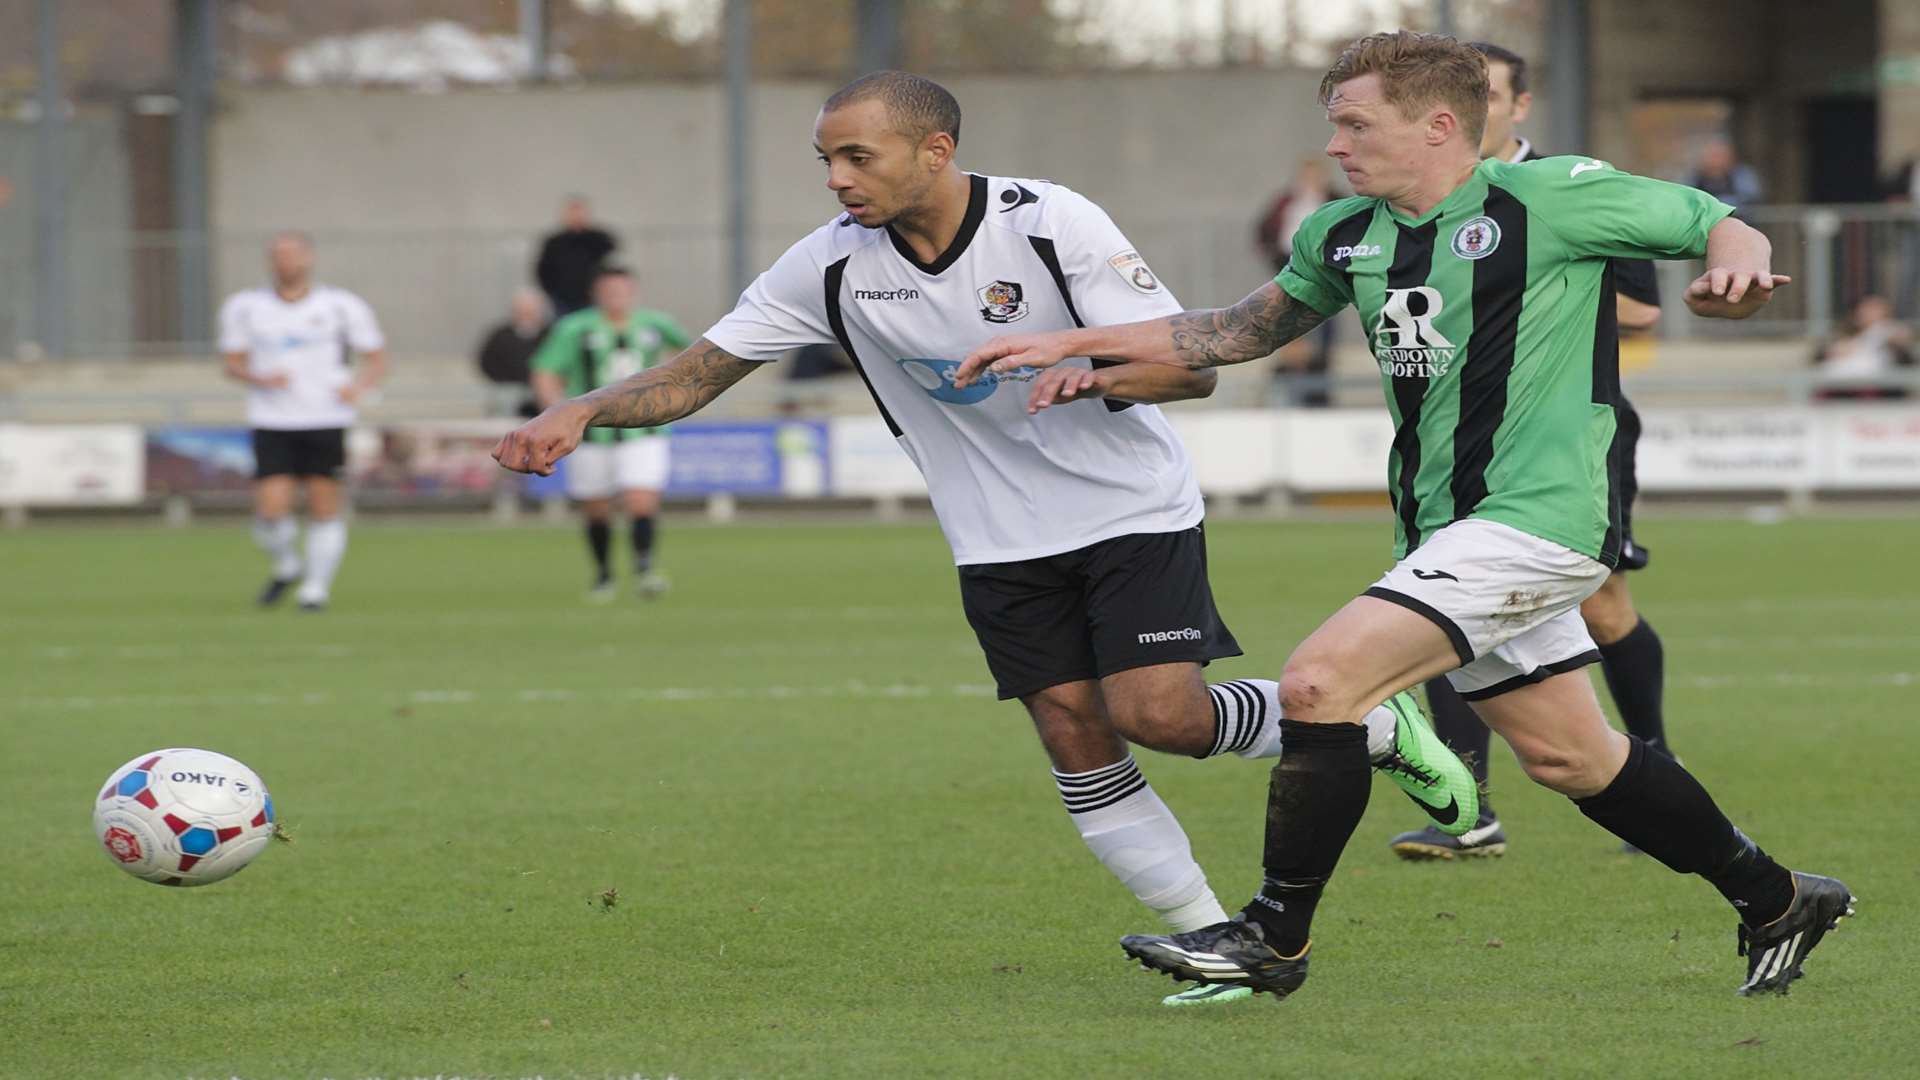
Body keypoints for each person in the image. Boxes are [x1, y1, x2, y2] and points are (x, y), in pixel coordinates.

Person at [494, 70, 1478, 1007]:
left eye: (857, 156)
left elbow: (1192, 370)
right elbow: (700, 372)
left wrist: (1094, 373)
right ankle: (1220, 944)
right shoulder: (830, 261)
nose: (838, 179)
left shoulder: (1052, 224)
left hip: (1128, 507)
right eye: (825, 159)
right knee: (1072, 734)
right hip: (995, 537)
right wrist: (583, 409)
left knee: (1162, 718)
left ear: (936, 148)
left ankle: (1381, 727)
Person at [958, 31, 1850, 1000]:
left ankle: (1272, 937)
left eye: (1354, 123)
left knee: (1319, 682)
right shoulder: (1344, 233)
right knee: (1569, 756)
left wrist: (1736, 273)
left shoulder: (1549, 196)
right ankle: (1776, 897)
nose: (1336, 145)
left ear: (1436, 124)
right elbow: (1233, 332)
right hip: (1448, 531)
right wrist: (1073, 343)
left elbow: (1721, 222)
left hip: (1539, 519)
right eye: (1334, 124)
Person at [1388, 41, 1675, 861]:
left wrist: (1511, 291)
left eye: (1488, 91)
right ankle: (1468, 810)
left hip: (1570, 438)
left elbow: (1646, 310)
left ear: (1516, 108)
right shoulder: (1412, 201)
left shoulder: (1568, 189)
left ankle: (1654, 759)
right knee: (1437, 599)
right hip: (1456, 438)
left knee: (1604, 605)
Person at [219, 232, 387, 612]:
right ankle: (287, 563)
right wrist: (259, 379)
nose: (286, 262)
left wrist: (357, 387)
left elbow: (376, 358)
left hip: (325, 417)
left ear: (309, 258)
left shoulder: (341, 306)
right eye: (278, 255)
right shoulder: (245, 307)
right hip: (272, 419)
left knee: (324, 506)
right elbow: (232, 363)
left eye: (293, 254)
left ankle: (316, 589)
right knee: (271, 510)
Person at [530, 264, 690, 600]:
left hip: (645, 431)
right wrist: (557, 413)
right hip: (591, 435)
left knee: (640, 499)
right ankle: (604, 574)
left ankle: (645, 569)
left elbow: (692, 356)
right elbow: (545, 371)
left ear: (633, 292)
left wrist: (675, 392)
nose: (616, 297)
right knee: (596, 508)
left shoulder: (656, 325)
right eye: (609, 291)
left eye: (622, 290)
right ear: (596, 293)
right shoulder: (575, 328)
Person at [1254, 159, 1340, 405]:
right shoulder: (1285, 202)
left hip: (1325, 274)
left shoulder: (1335, 200)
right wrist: (1273, 256)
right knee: (1290, 330)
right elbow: (1264, 231)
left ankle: (1318, 394)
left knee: (1321, 333)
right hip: (1290, 271)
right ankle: (1286, 392)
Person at [1812, 294, 1914, 400]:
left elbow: (1906, 359)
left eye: (1877, 310)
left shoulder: (1893, 332)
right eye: (1868, 310)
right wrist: (1835, 350)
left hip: (1880, 389)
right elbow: (1818, 356)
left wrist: (1896, 342)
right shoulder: (1842, 334)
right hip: (1841, 385)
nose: (1872, 314)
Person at [534, 195, 619, 317]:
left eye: (580, 212)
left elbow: (611, 263)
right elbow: (543, 269)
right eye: (572, 212)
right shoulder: (554, 242)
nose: (576, 216)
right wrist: (553, 292)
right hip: (562, 300)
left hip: (594, 298)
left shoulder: (600, 239)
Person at [476, 287, 549, 419]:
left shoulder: (551, 334)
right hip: (507, 390)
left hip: (541, 390)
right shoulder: (500, 335)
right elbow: (487, 361)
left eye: (531, 310)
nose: (527, 314)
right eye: (522, 310)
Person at [1685, 137, 1763, 213]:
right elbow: (1688, 198)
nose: (1716, 160)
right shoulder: (1694, 177)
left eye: (1719, 155)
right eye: (1712, 155)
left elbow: (1751, 198)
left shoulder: (1742, 176)